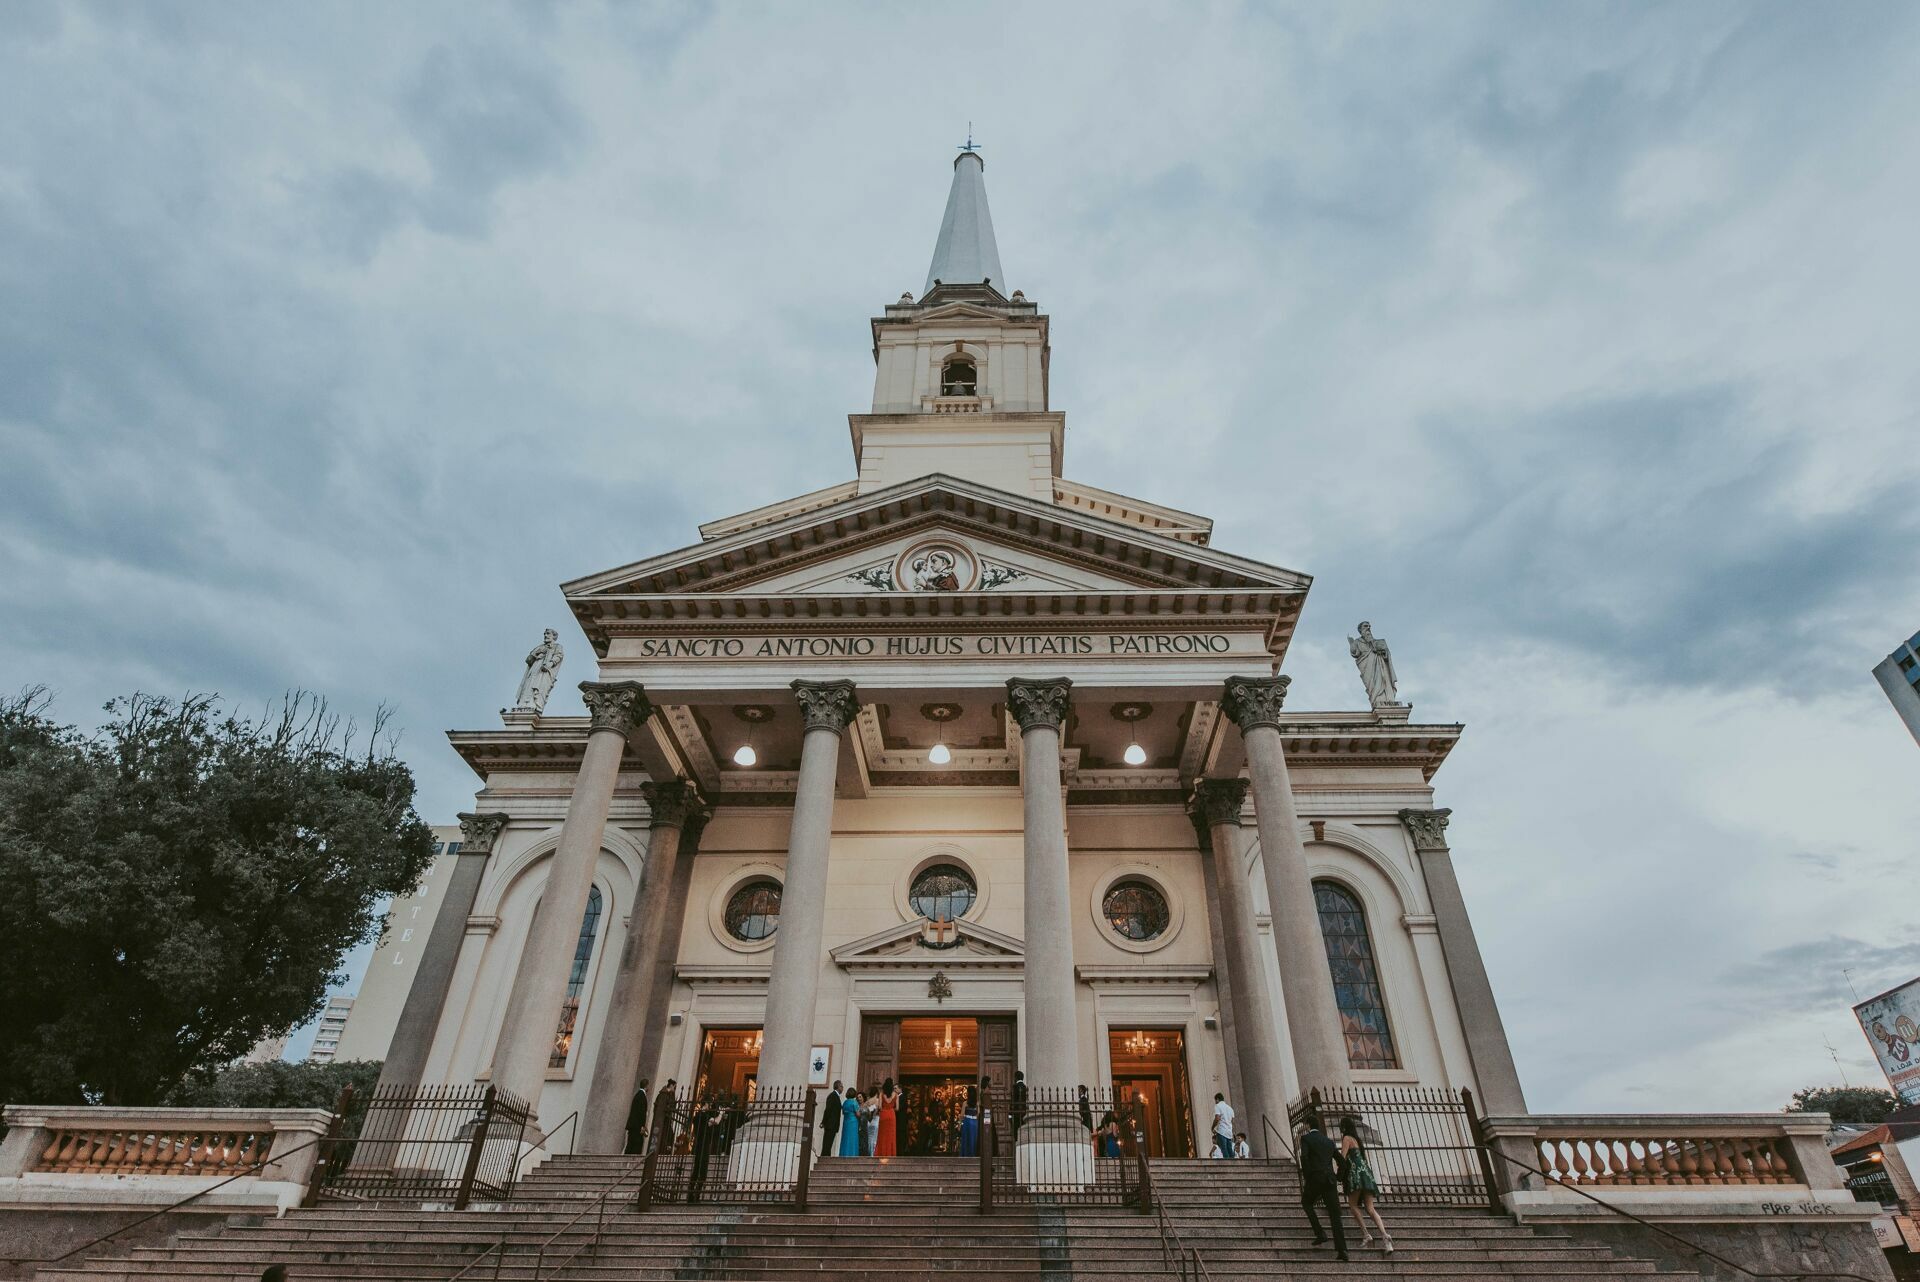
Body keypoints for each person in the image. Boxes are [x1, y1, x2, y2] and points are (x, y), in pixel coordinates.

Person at [1297, 1113, 1349, 1262]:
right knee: (1335, 1216)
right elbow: (1342, 1162)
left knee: (1306, 1203)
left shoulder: (1306, 1138)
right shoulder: (1328, 1141)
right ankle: (1342, 1250)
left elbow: (1304, 1157)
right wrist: (1338, 1177)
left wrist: (1308, 1176)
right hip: (1330, 1181)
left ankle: (1320, 1233)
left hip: (1315, 1179)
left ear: (1308, 1126)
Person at [1339, 1115, 1392, 1252]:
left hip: (1355, 1175)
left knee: (1353, 1205)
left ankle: (1366, 1234)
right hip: (1366, 1175)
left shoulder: (1346, 1138)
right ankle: (1385, 1236)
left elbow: (1342, 1158)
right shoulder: (1357, 1140)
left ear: (1343, 1127)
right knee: (1370, 1209)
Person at [650, 1079, 678, 1155]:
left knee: (668, 1136)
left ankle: (664, 1152)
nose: (674, 1090)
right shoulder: (663, 1094)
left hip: (665, 1120)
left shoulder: (669, 1095)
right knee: (662, 1136)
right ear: (671, 1085)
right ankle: (659, 1153)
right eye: (674, 1087)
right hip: (662, 1120)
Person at [624, 1079, 651, 1156]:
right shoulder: (642, 1096)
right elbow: (641, 1112)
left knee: (630, 1145)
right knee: (636, 1147)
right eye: (648, 1086)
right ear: (646, 1086)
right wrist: (643, 1126)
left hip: (633, 1125)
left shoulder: (637, 1095)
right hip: (637, 1126)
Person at [876, 1077, 899, 1157]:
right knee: (891, 1135)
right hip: (891, 1115)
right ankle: (890, 1153)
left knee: (882, 1135)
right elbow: (897, 1108)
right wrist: (891, 1107)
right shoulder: (895, 1095)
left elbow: (879, 1107)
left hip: (883, 1114)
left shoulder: (882, 1094)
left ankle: (881, 1153)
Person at [820, 1080, 843, 1158]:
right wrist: (823, 1122)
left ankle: (826, 1158)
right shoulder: (832, 1096)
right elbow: (828, 1110)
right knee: (827, 1144)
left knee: (829, 1144)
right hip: (830, 1125)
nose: (842, 1088)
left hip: (833, 1125)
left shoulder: (836, 1096)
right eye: (841, 1086)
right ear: (838, 1087)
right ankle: (824, 1160)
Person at [1211, 1093, 1236, 1159]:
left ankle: (1228, 1165)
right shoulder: (1230, 1108)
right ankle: (1234, 1164)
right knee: (1230, 1150)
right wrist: (1233, 1131)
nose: (1215, 1102)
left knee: (1224, 1149)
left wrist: (1213, 1127)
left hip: (1222, 1131)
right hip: (1229, 1131)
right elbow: (1233, 1121)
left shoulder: (1218, 1106)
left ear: (1217, 1099)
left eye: (1215, 1100)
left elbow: (1217, 1118)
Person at [839, 1088, 862, 1157]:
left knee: (846, 1138)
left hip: (846, 1121)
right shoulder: (854, 1102)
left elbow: (843, 1112)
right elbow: (858, 1114)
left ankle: (844, 1153)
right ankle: (852, 1154)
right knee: (853, 1138)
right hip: (853, 1122)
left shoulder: (845, 1102)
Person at [959, 1083, 980, 1157]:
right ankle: (973, 1154)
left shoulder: (965, 1103)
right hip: (975, 1123)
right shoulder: (977, 1103)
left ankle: (965, 1154)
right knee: (973, 1139)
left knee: (966, 1139)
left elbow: (962, 1115)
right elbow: (978, 1115)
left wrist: (959, 1125)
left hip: (967, 1122)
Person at [863, 1086, 881, 1156]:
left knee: (869, 1138)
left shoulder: (868, 1101)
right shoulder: (878, 1100)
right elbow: (878, 1110)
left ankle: (869, 1153)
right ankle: (873, 1154)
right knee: (875, 1138)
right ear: (877, 1093)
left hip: (869, 1122)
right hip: (876, 1120)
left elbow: (864, 1110)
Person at [1011, 1070, 1028, 1135]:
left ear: (1016, 1077)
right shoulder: (1025, 1087)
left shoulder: (1015, 1087)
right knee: (1022, 1127)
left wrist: (1010, 1113)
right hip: (1023, 1111)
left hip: (1016, 1111)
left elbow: (1013, 1099)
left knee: (1016, 1129)